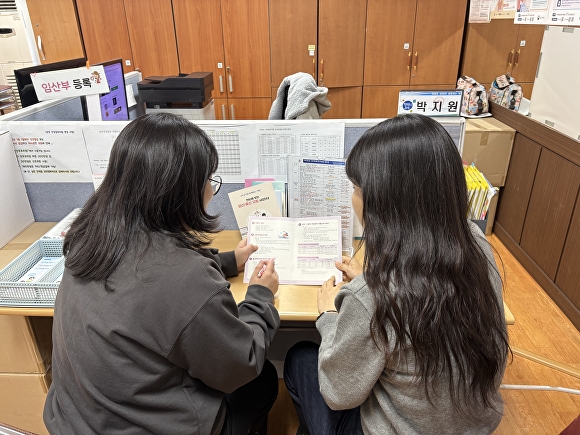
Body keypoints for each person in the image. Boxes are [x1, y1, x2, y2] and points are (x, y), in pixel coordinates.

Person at [44, 113, 281, 435]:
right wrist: (260, 297)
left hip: (77, 419)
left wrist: (227, 261)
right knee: (261, 379)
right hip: (147, 427)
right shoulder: (185, 279)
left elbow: (150, 269)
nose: (211, 190)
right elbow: (240, 366)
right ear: (181, 192)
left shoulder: (88, 236)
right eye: (208, 180)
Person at [284, 114, 510, 435]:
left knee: (300, 360)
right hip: (471, 427)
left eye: (356, 188)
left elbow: (338, 394)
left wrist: (329, 315)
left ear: (384, 204)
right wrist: (369, 279)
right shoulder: (476, 244)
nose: (353, 198)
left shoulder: (373, 296)